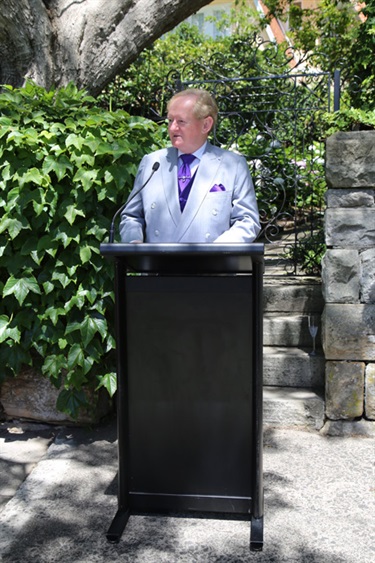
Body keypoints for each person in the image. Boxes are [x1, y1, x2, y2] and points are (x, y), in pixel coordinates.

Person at [119, 88, 260, 243]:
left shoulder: (233, 166)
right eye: (170, 120)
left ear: (206, 125)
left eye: (181, 121)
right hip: (159, 265)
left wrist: (217, 251)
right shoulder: (153, 163)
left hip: (210, 265)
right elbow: (131, 216)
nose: (172, 128)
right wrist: (134, 243)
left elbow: (247, 221)